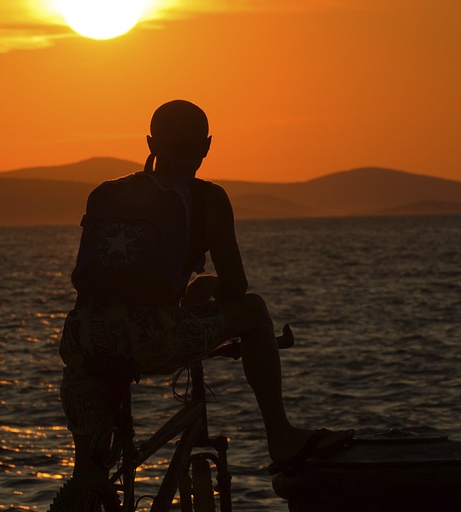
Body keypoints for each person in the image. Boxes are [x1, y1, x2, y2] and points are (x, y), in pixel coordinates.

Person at [58, 99, 351, 476]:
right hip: (149, 339)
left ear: (150, 143)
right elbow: (236, 288)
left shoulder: (108, 193)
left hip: (84, 337)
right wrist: (208, 284)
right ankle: (280, 437)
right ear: (207, 145)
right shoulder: (209, 199)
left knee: (90, 472)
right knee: (255, 311)